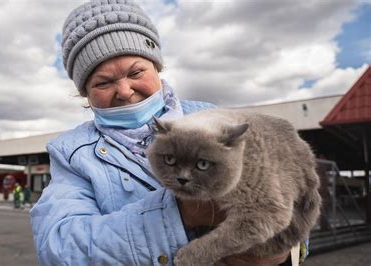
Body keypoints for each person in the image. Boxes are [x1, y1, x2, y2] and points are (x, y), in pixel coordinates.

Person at [31, 1, 297, 265]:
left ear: (157, 67)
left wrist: (285, 251)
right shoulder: (72, 153)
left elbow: (289, 189)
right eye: (104, 82)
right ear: (85, 94)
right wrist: (180, 214)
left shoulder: (218, 121)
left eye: (136, 72)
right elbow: (59, 248)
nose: (124, 91)